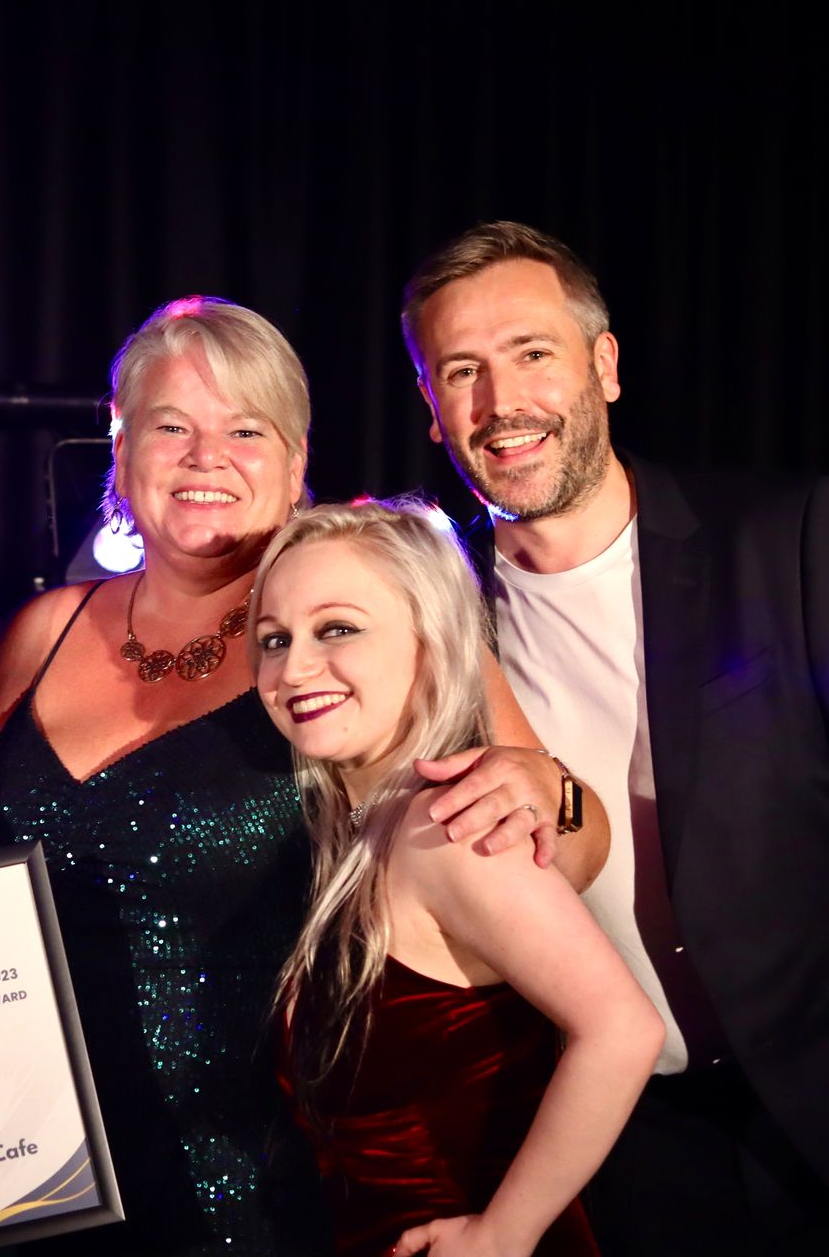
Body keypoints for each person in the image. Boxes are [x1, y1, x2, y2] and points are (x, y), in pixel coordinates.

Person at [401, 221, 829, 1256]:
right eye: (461, 370)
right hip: (616, 1149)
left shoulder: (786, 535)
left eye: (532, 352)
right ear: (432, 408)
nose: (500, 402)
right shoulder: (435, 613)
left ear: (604, 366)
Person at [0, 297, 604, 1255]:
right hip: (23, 1167)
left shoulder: (361, 634)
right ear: (121, 448)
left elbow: (571, 850)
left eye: (245, 430)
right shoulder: (39, 632)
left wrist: (542, 789)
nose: (205, 457)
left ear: (297, 459)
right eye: (170, 428)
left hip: (252, 1187)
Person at [249, 497, 663, 1257]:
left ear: (432, 642)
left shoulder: (446, 830)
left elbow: (623, 1029)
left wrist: (505, 1232)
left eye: (337, 629)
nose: (293, 667)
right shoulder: (366, 831)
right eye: (275, 639)